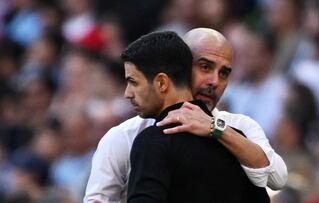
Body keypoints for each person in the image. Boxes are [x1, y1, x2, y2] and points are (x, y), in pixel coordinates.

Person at [84, 28, 287, 203]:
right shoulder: (124, 136)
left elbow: (277, 178)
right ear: (181, 65)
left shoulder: (238, 128)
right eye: (205, 67)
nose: (214, 81)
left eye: (224, 73)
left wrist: (215, 128)